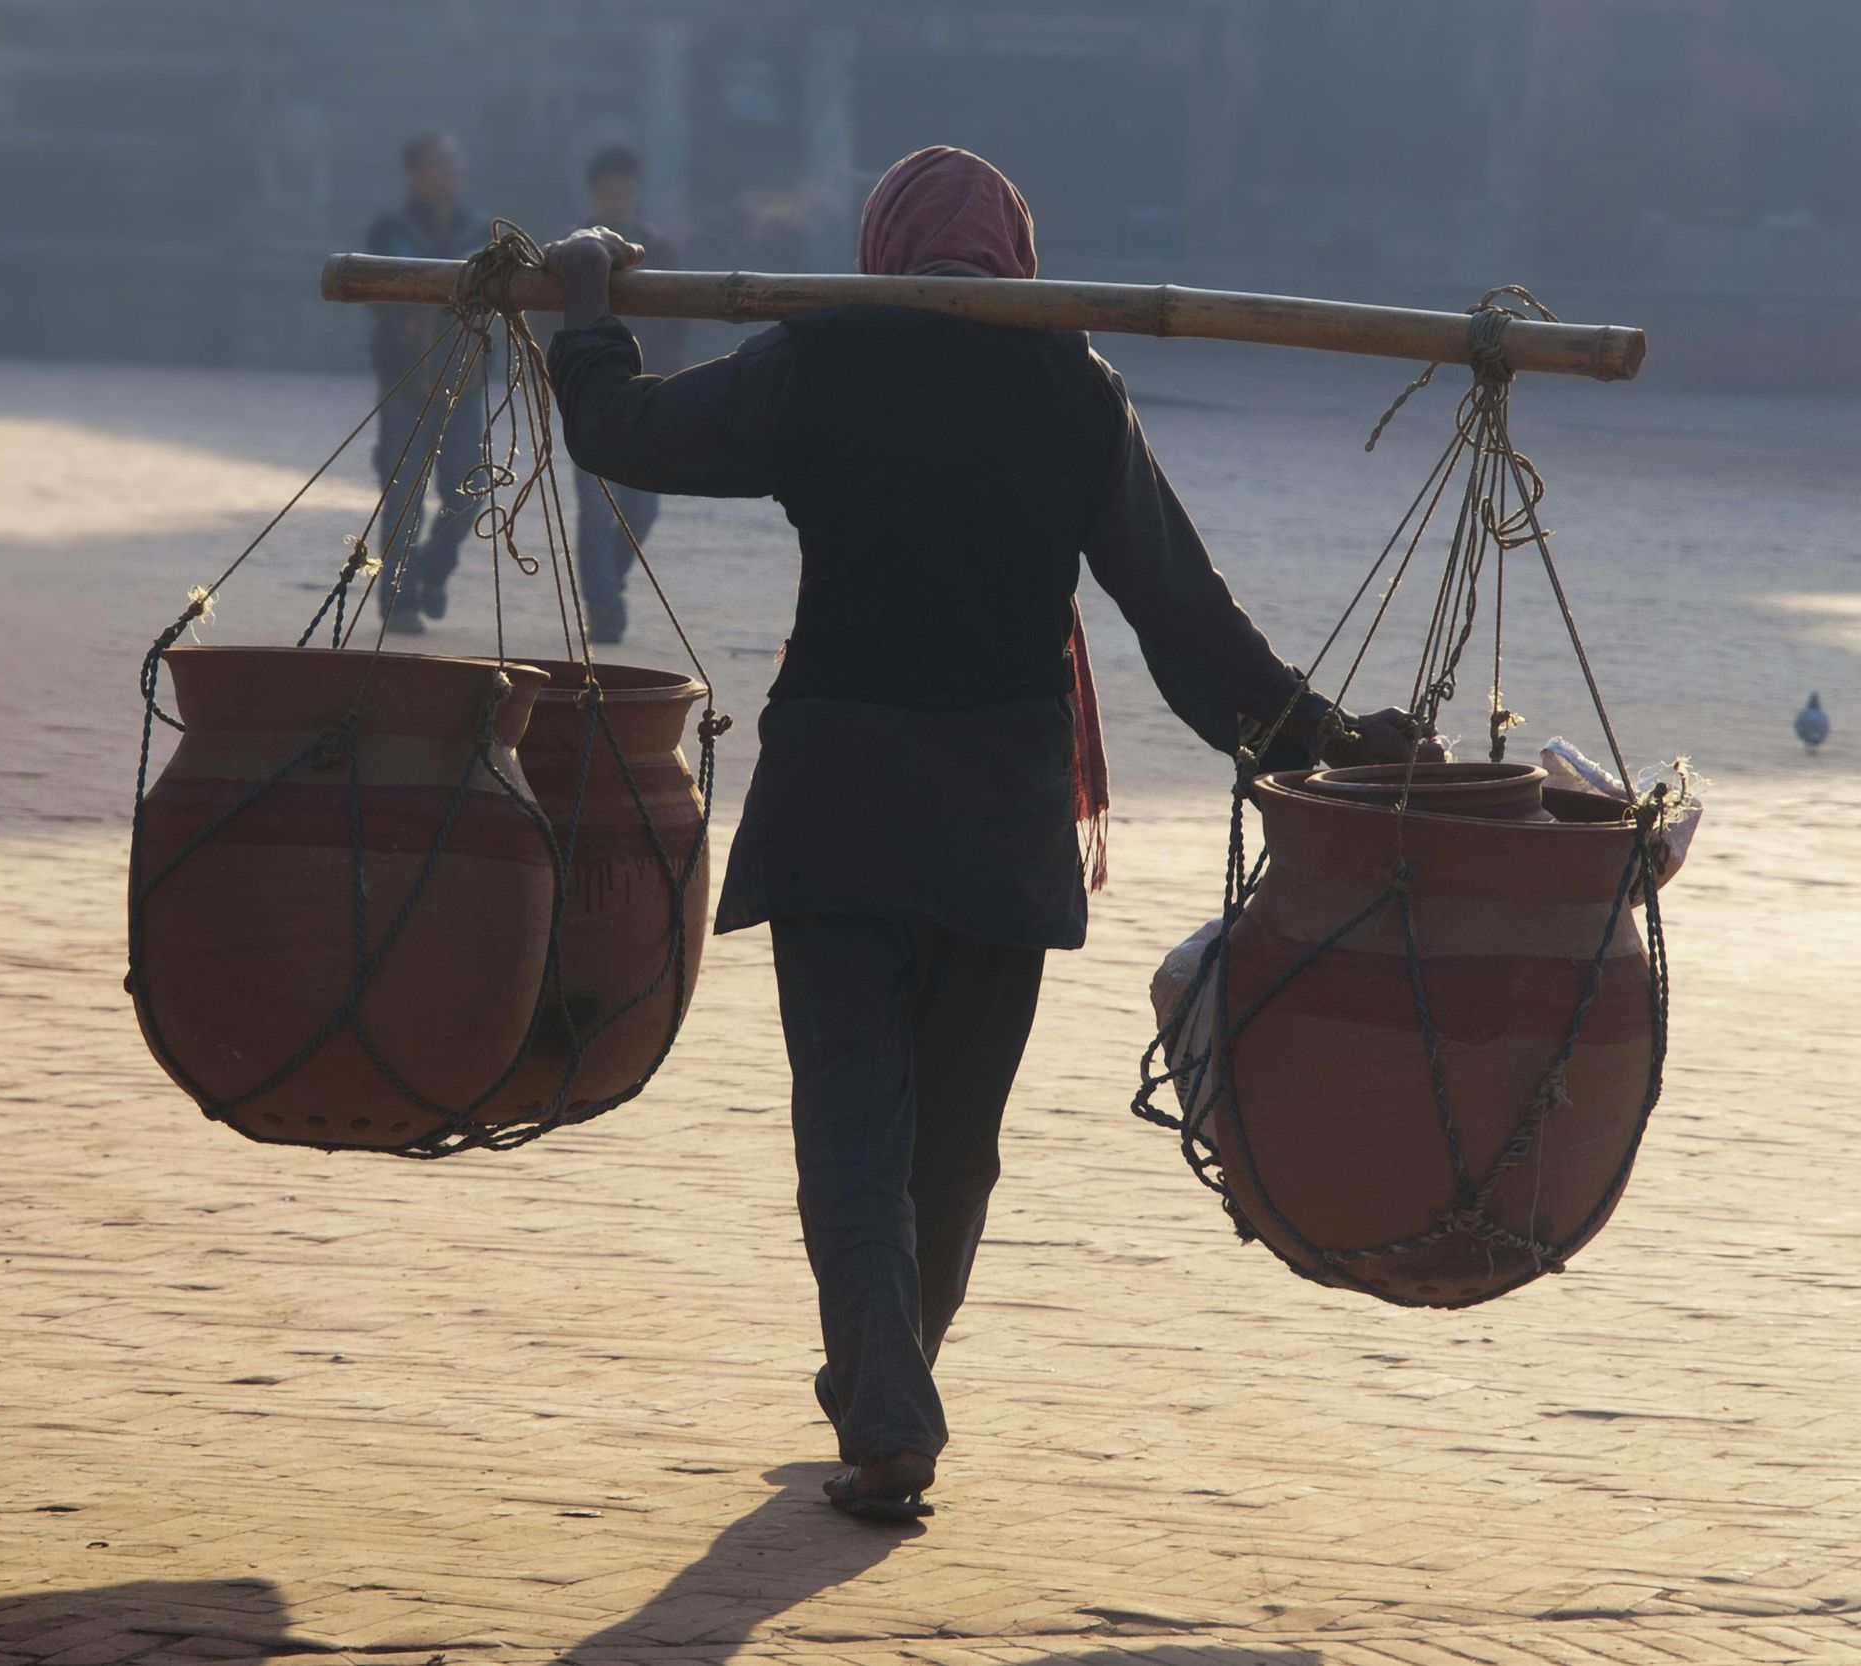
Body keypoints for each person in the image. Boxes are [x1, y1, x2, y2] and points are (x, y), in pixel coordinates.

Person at [542, 147, 1422, 1521]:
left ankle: (885, 1396)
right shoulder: (1071, 386)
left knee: (850, 1117)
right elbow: (1189, 629)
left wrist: (588, 310)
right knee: (953, 1140)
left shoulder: (823, 356)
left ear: (883, 249)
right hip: (994, 817)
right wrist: (1325, 737)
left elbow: (630, 434)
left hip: (839, 798)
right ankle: (889, 1390)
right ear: (1016, 258)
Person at [363, 131, 487, 632]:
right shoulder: (390, 230)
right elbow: (375, 295)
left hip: (466, 377)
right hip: (405, 376)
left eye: (455, 163)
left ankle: (432, 566)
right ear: (416, 174)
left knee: (469, 490)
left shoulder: (480, 232)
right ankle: (398, 601)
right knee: (403, 491)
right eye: (440, 164)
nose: (452, 173)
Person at [566, 145, 690, 643]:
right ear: (595, 194)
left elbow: (679, 323)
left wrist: (675, 384)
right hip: (590, 395)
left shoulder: (659, 249)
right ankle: (604, 606)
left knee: (642, 510)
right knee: (596, 511)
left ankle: (606, 586)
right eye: (612, 193)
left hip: (649, 396)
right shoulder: (575, 251)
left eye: (628, 193)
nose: (620, 200)